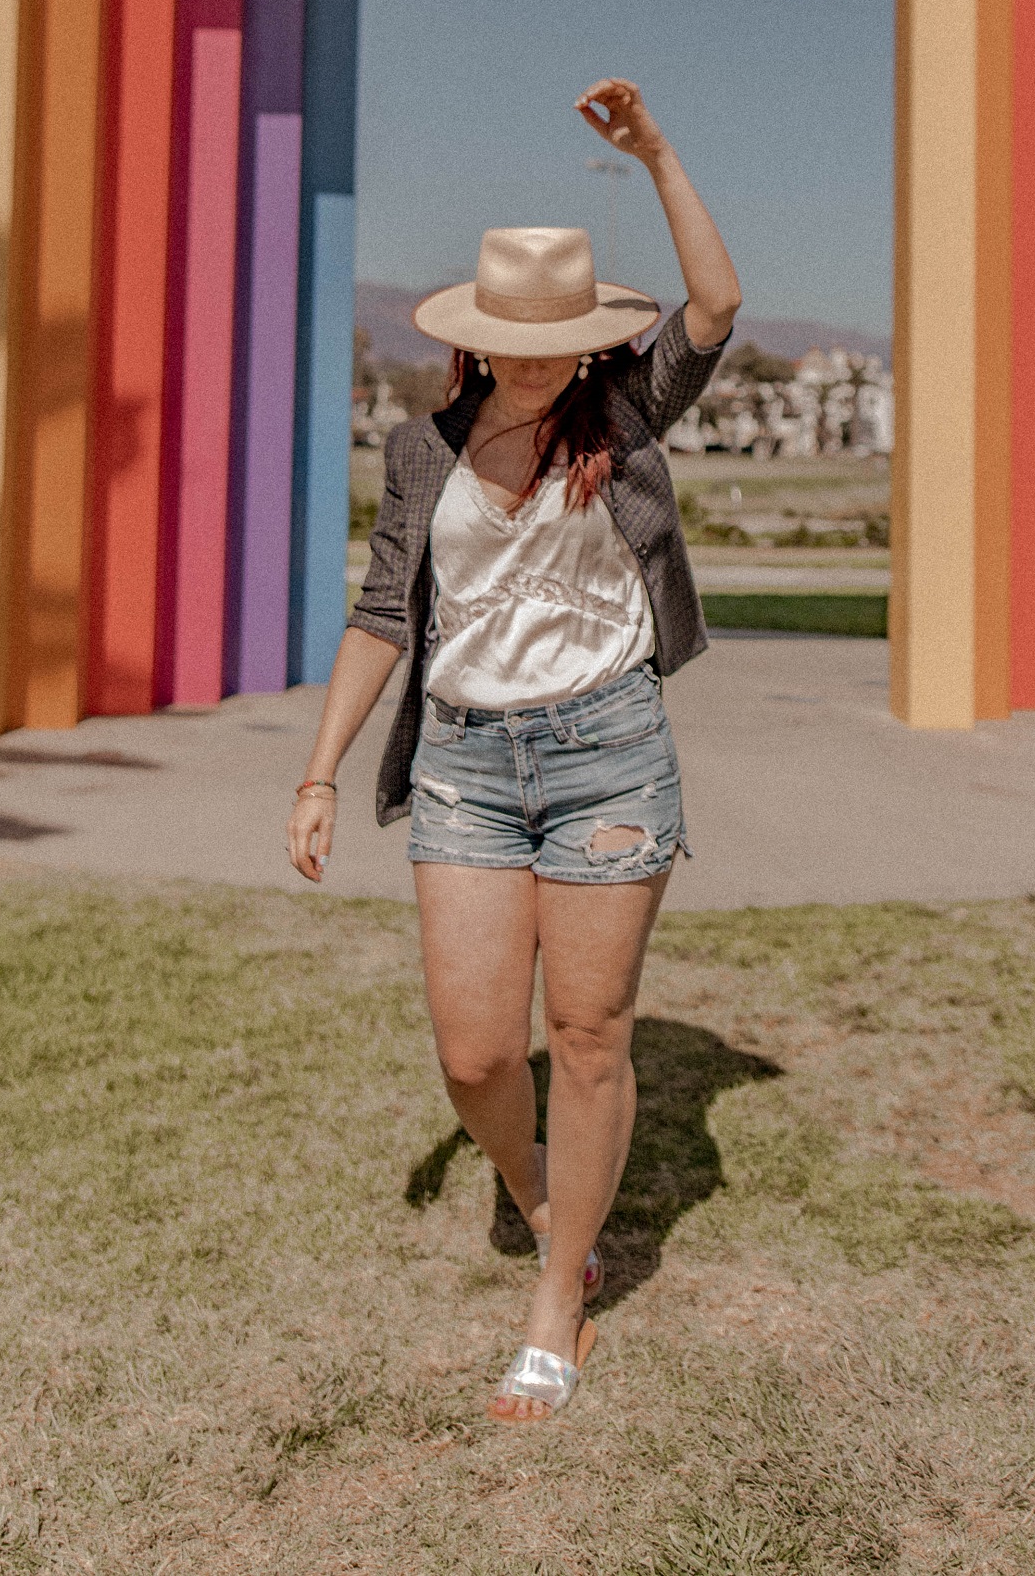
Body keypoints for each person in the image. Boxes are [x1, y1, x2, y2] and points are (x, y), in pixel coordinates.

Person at [285, 79, 739, 1422]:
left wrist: (657, 153)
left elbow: (712, 309)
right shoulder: (421, 449)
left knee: (586, 1036)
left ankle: (558, 1300)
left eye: (559, 343)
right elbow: (385, 613)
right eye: (513, 344)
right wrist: (319, 771)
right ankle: (543, 1193)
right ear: (476, 340)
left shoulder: (626, 417)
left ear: (589, 343)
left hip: (609, 756)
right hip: (466, 768)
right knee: (480, 1054)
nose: (536, 364)